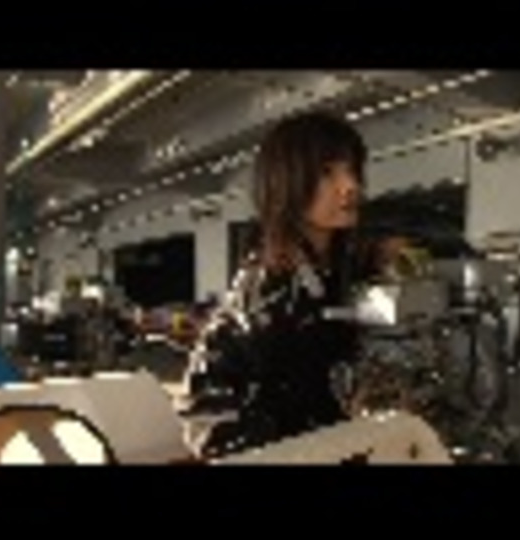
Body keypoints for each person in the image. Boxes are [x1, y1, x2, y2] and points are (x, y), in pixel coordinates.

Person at [175, 112, 408, 459]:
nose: (349, 186)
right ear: (287, 183)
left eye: (352, 170)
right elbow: (202, 413)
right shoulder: (265, 291)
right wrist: (283, 444)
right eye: (327, 172)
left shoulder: (346, 270)